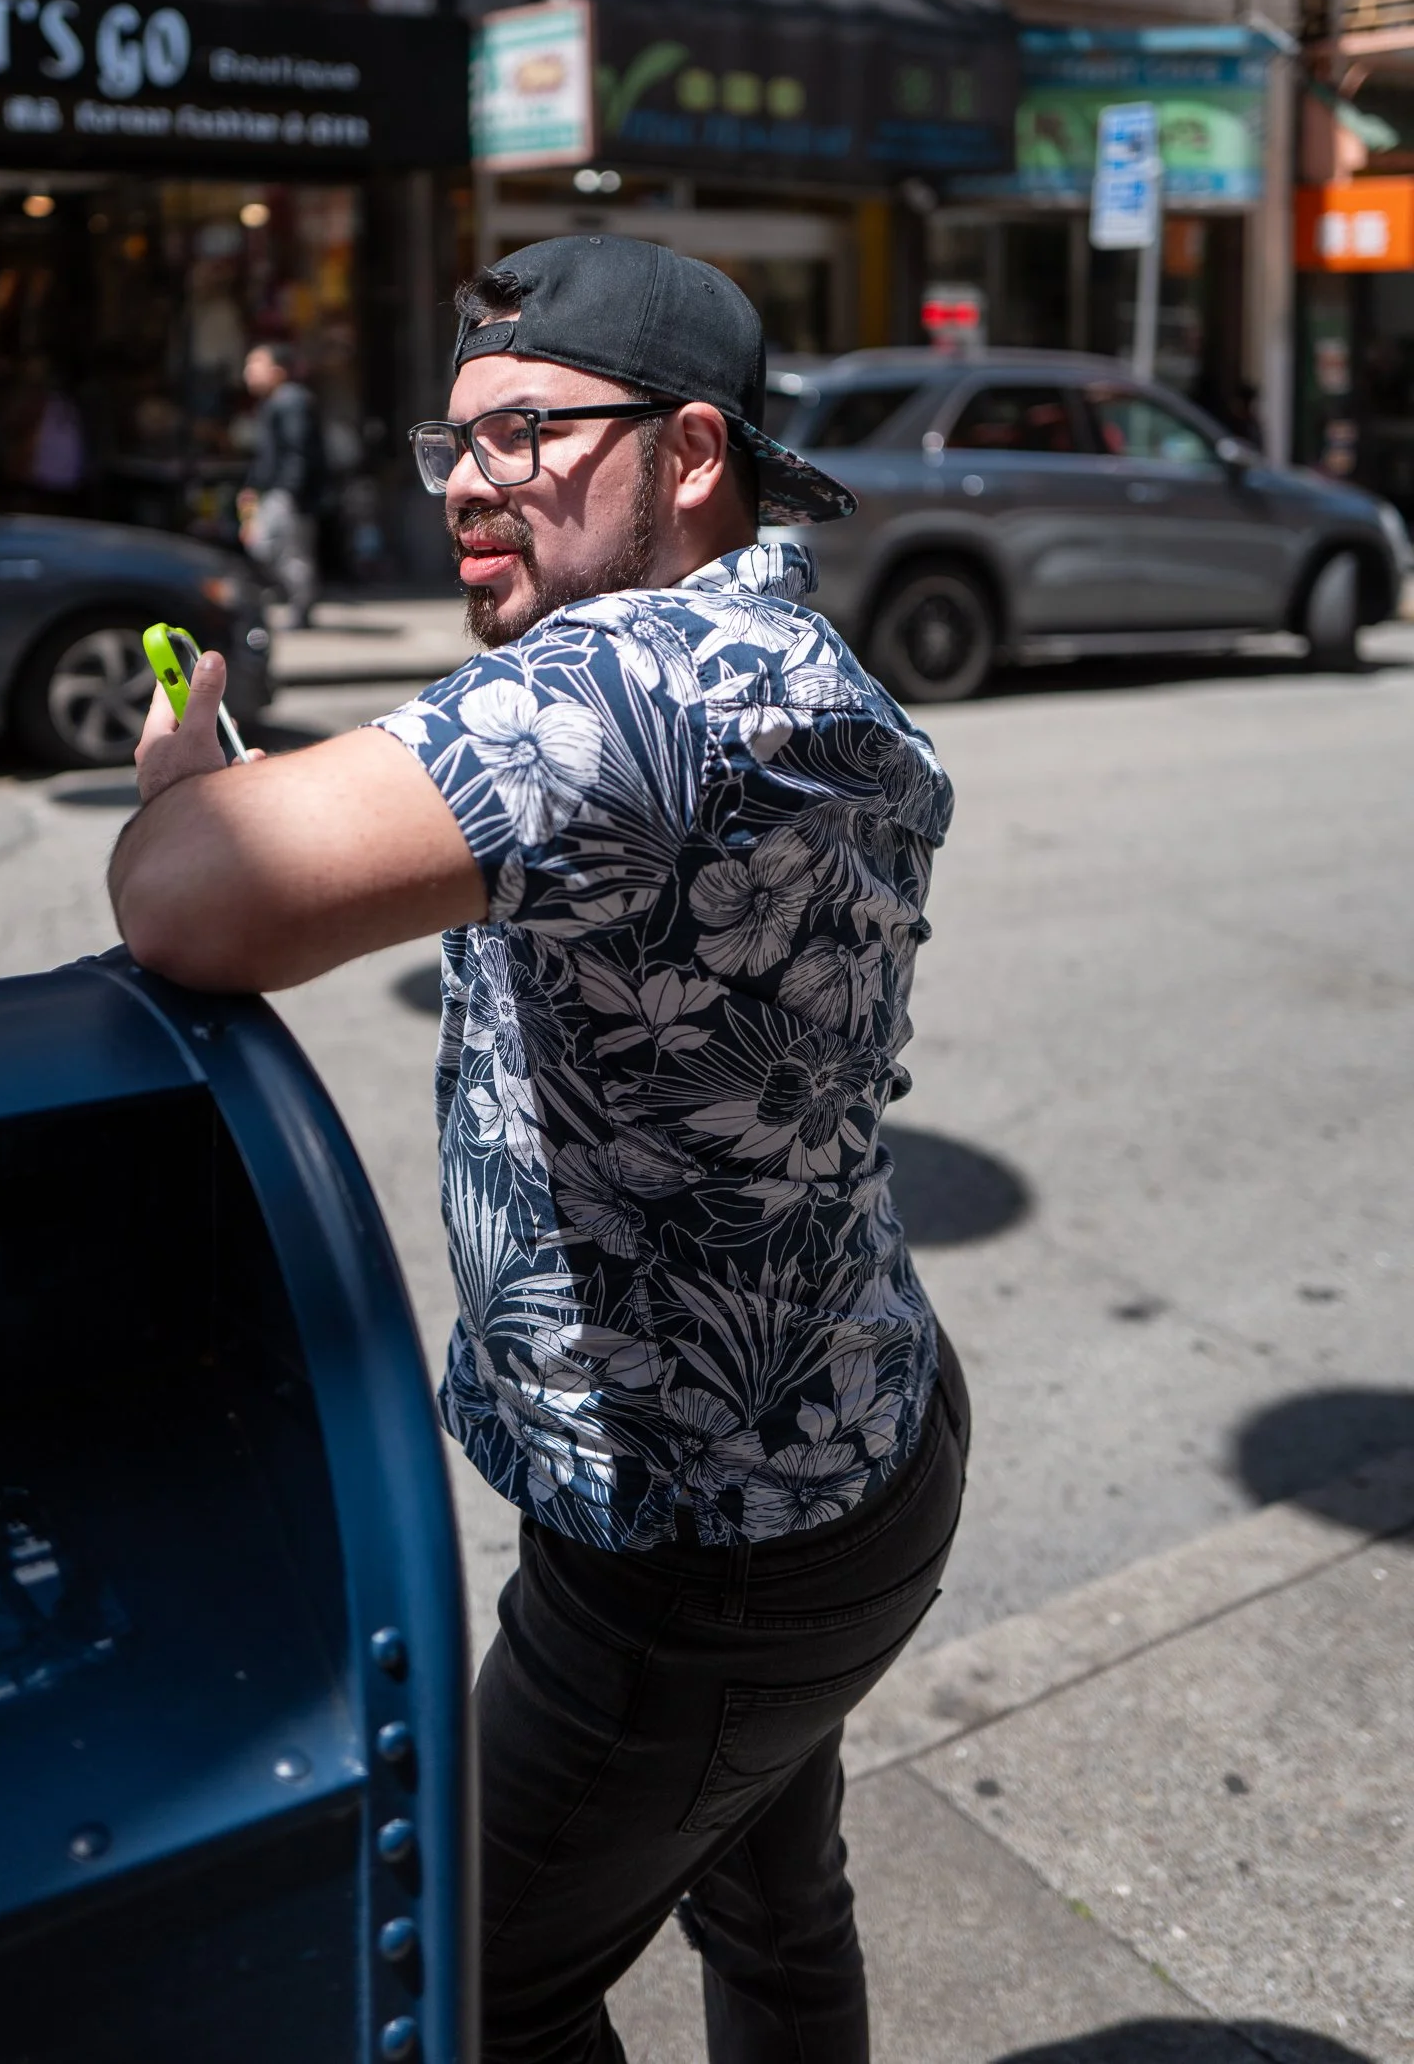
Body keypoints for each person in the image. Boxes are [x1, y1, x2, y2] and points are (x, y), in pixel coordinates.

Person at [110, 237, 968, 2064]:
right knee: (773, 1901)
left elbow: (189, 900)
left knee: (469, 1992)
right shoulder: (751, 645)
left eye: (526, 433)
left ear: (690, 452)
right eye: (456, 441)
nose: (468, 482)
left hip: (697, 1546)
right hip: (830, 1447)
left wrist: (184, 785)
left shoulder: (635, 689)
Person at [238, 340, 327, 626]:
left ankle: (301, 608)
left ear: (278, 370)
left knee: (287, 553)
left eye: (255, 363)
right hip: (276, 493)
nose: (248, 372)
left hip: (287, 495)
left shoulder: (291, 400)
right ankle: (294, 604)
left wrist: (290, 493)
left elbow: (297, 452)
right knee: (266, 547)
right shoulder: (276, 402)